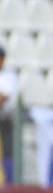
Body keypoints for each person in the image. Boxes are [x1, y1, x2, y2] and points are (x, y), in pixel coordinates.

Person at [0, 45, 17, 185]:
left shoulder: (9, 76)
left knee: (7, 152)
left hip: (5, 119)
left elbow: (4, 97)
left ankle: (8, 182)